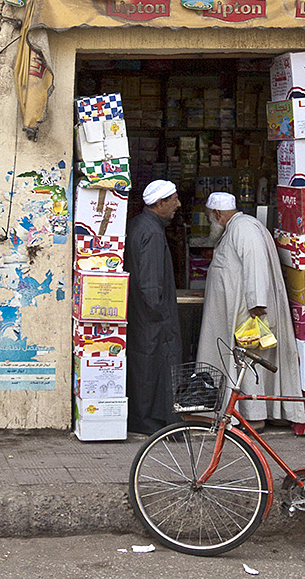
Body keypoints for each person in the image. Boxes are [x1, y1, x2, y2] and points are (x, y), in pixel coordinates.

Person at [196, 192, 304, 431]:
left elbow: (255, 265)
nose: (209, 223)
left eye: (209, 217)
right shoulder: (236, 228)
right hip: (242, 311)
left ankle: (255, 418)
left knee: (250, 365)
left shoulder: (243, 228)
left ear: (216, 214)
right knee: (245, 364)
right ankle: (251, 413)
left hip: (249, 314)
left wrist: (257, 304)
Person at [125, 180, 182, 435]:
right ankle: (153, 424)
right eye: (173, 200)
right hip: (153, 321)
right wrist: (161, 315)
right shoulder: (153, 232)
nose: (178, 205)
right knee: (153, 369)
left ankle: (147, 420)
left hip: (144, 318)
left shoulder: (141, 225)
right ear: (159, 203)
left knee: (145, 367)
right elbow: (150, 286)